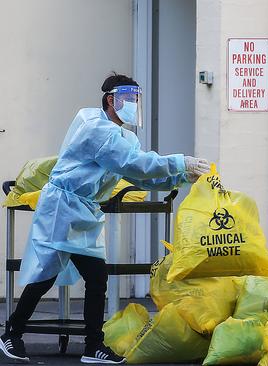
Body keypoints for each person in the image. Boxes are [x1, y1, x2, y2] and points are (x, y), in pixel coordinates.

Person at [0, 74, 210, 364]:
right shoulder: (95, 128)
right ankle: (13, 333)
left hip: (85, 211)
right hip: (63, 207)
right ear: (110, 100)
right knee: (51, 274)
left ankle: (91, 347)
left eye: (136, 99)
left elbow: (138, 174)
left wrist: (181, 176)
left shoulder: (124, 137)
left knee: (93, 278)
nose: (133, 104)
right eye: (127, 98)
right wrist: (179, 162)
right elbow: (133, 163)